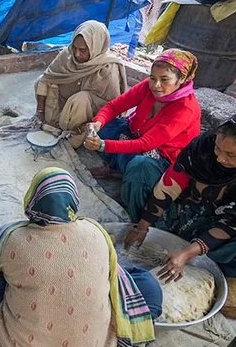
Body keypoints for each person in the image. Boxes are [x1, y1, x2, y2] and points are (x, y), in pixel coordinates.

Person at [0, 168, 161, 347]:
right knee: (142, 283)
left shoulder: (8, 239)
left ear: (31, 200)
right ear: (74, 201)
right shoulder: (97, 232)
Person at [124, 110, 236, 281]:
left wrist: (188, 253)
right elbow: (172, 182)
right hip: (182, 209)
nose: (220, 158)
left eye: (231, 155)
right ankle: (153, 234)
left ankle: (206, 267)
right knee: (141, 167)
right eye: (218, 149)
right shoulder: (206, 145)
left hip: (223, 228)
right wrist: (143, 226)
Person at [82, 48, 202, 221]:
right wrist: (98, 122)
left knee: (140, 166)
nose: (156, 85)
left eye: (164, 79)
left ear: (182, 79)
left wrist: (102, 145)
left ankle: (136, 211)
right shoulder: (148, 87)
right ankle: (122, 172)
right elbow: (114, 107)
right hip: (137, 137)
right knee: (108, 127)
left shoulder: (185, 108)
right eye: (153, 78)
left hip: (164, 159)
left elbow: (146, 144)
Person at [34, 21, 127, 148]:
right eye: (75, 48)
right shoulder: (67, 55)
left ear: (96, 47)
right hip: (61, 109)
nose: (77, 54)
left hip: (85, 121)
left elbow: (111, 109)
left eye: (83, 50)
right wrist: (40, 112)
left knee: (80, 99)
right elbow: (46, 78)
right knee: (41, 81)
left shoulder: (107, 69)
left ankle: (73, 139)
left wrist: (82, 128)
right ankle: (52, 124)